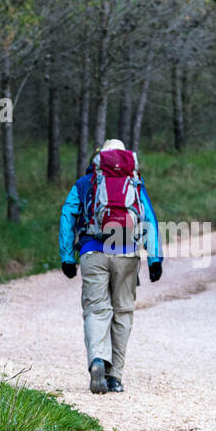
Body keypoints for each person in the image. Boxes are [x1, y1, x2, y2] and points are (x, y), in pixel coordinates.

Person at [59, 139, 163, 394]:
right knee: (123, 312)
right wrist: (154, 258)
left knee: (96, 310)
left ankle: (97, 360)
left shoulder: (86, 183)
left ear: (99, 157)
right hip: (126, 252)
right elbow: (149, 218)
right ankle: (114, 376)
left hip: (92, 251)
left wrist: (67, 257)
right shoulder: (134, 182)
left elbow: (67, 214)